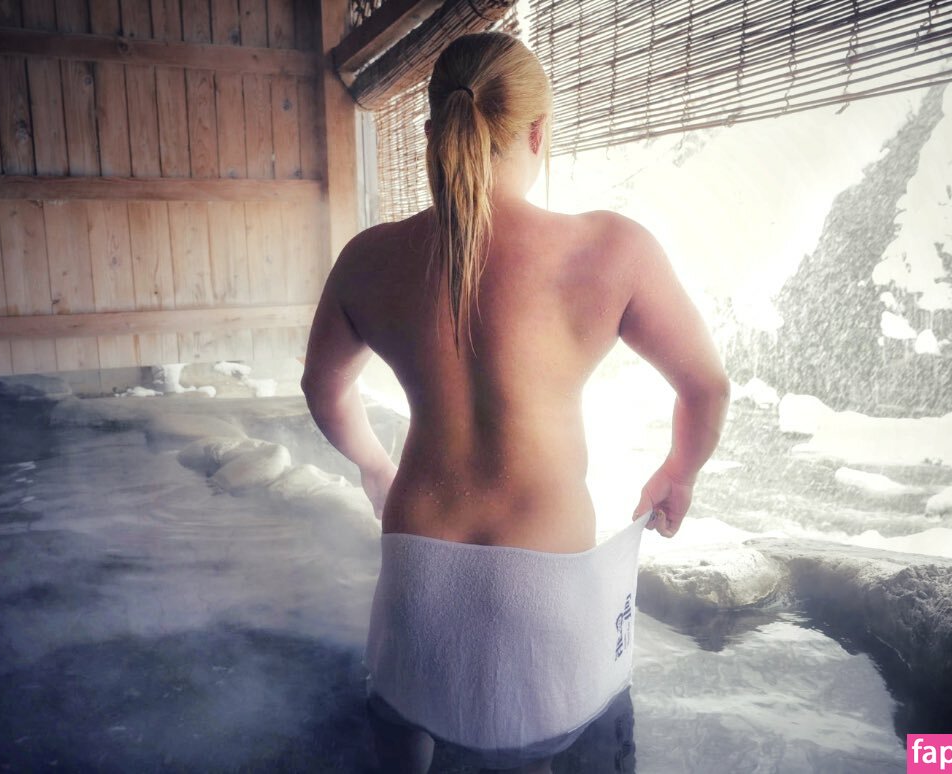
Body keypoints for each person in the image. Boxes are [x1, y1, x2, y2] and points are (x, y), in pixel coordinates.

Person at [301, 32, 729, 774]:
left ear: (432, 131)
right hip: (544, 569)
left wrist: (374, 466)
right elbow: (705, 385)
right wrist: (677, 472)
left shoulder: (368, 258)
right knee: (544, 752)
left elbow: (322, 388)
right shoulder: (610, 249)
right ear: (537, 133)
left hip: (417, 556)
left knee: (403, 734)